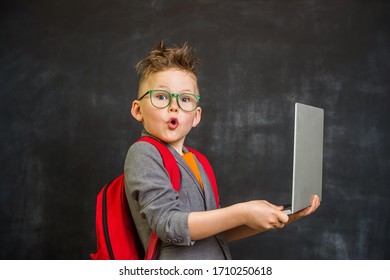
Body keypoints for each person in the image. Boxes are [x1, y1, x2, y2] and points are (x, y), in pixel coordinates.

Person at [124, 41, 320, 260]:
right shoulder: (144, 153)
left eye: (185, 99)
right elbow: (169, 225)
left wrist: (283, 217)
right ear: (137, 110)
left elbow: (216, 230)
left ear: (196, 116)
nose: (174, 106)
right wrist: (243, 211)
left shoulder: (198, 161)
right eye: (161, 96)